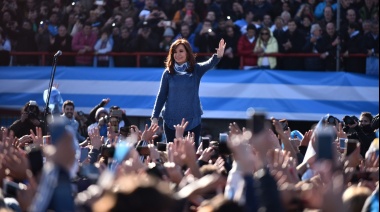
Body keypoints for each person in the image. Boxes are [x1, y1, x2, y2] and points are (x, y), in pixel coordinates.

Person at [151, 38, 226, 145]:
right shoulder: (168, 73)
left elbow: (209, 64)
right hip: (171, 122)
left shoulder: (196, 69)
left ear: (187, 52)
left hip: (192, 121)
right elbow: (161, 96)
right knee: (173, 155)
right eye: (175, 52)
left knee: (190, 156)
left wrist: (218, 55)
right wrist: (155, 117)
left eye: (181, 51)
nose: (178, 54)